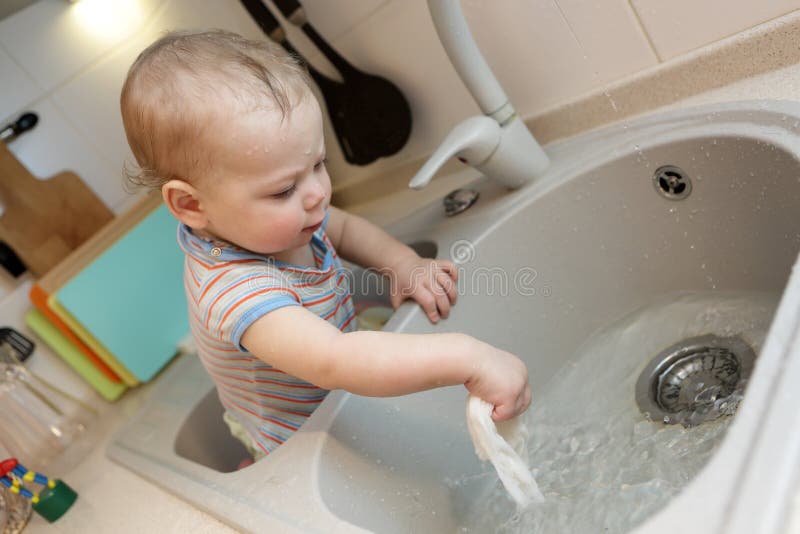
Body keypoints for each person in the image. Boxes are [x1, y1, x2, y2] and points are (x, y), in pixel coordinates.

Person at [120, 29, 530, 460]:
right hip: (300, 433)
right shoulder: (233, 290)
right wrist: (470, 357)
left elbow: (346, 231)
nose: (317, 193)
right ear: (191, 204)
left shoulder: (277, 221)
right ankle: (256, 458)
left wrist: (403, 264)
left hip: (333, 367)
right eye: (283, 190)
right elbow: (336, 361)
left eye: (319, 164)